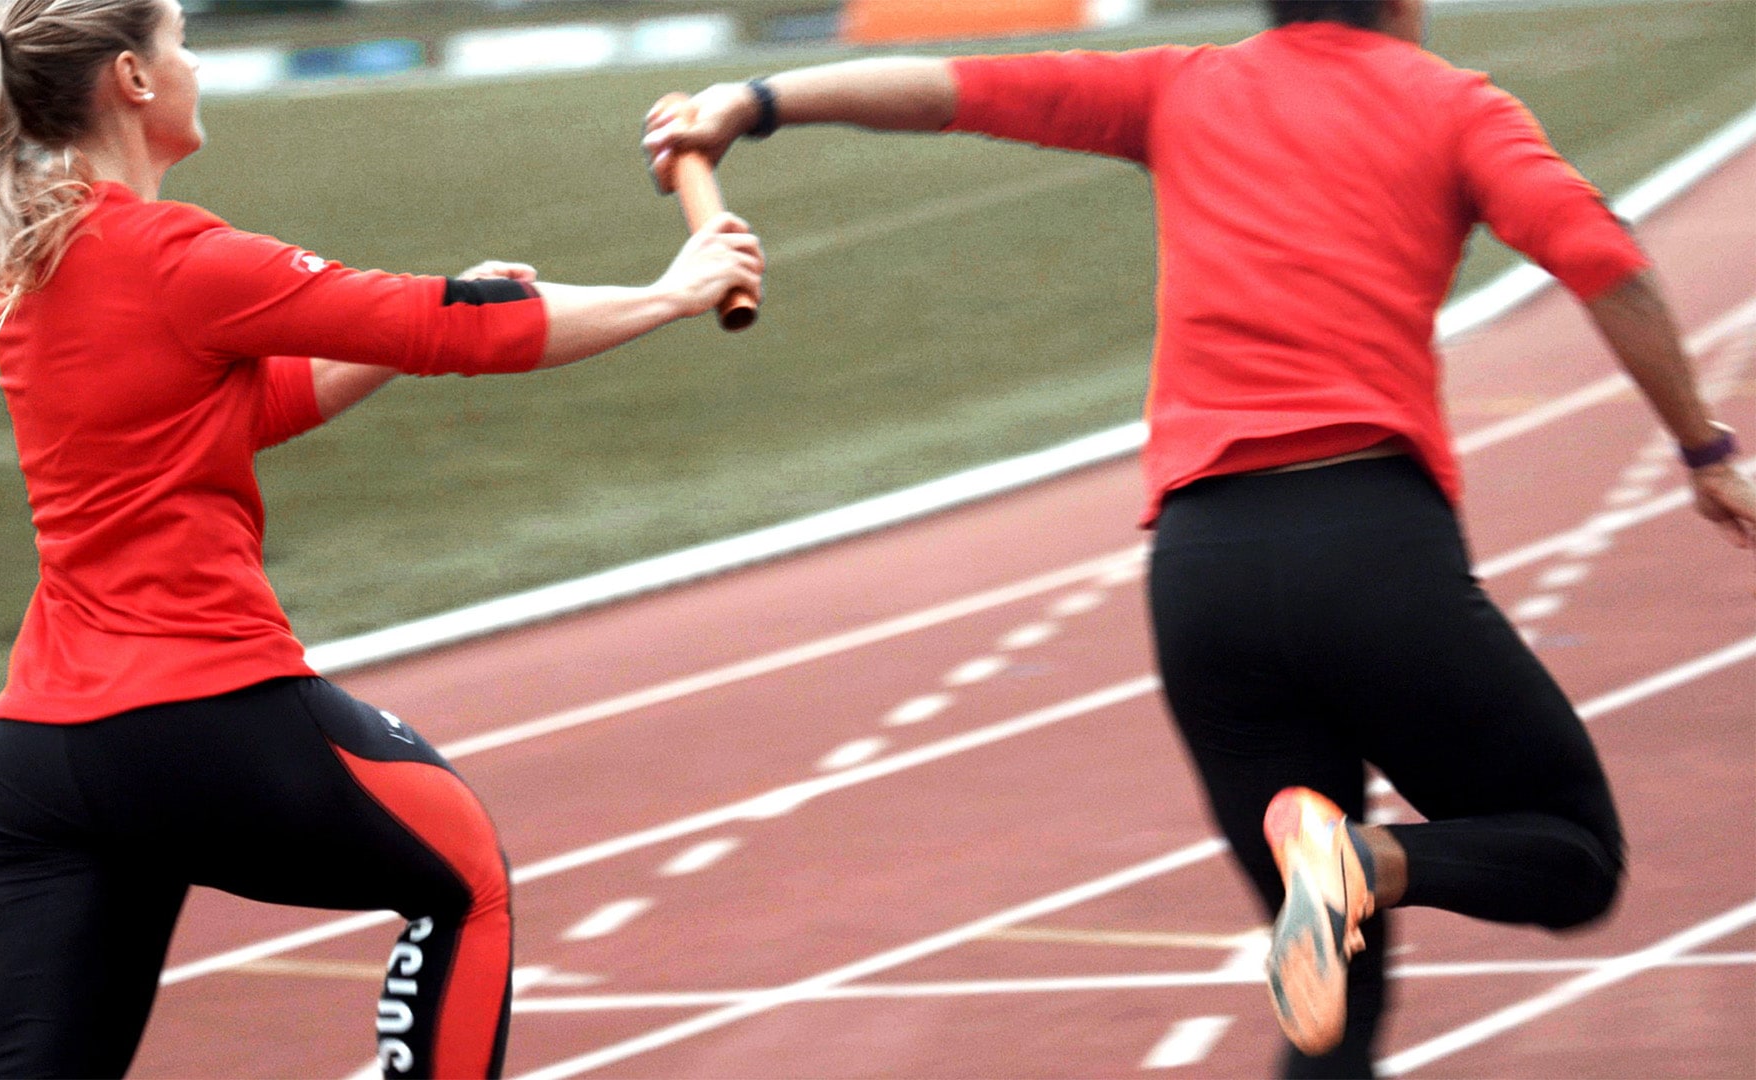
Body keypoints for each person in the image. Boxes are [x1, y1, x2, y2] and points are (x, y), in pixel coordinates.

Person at [641, 0, 1756, 1074]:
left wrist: (754, 101)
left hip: (1203, 582)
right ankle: (1367, 862)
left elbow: (952, 89)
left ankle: (1345, 879)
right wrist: (1704, 454)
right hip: (1369, 547)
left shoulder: (1180, 88)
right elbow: (1607, 263)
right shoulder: (1456, 105)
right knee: (1571, 852)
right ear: (1405, 0)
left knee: (1334, 1006)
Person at [0, 0, 761, 1077]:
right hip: (201, 712)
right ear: (134, 79)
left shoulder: (38, 262)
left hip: (46, 753)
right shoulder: (177, 253)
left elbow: (239, 410)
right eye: (182, 43)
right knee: (462, 880)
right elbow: (450, 321)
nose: (195, 63)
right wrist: (670, 292)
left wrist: (417, 332)